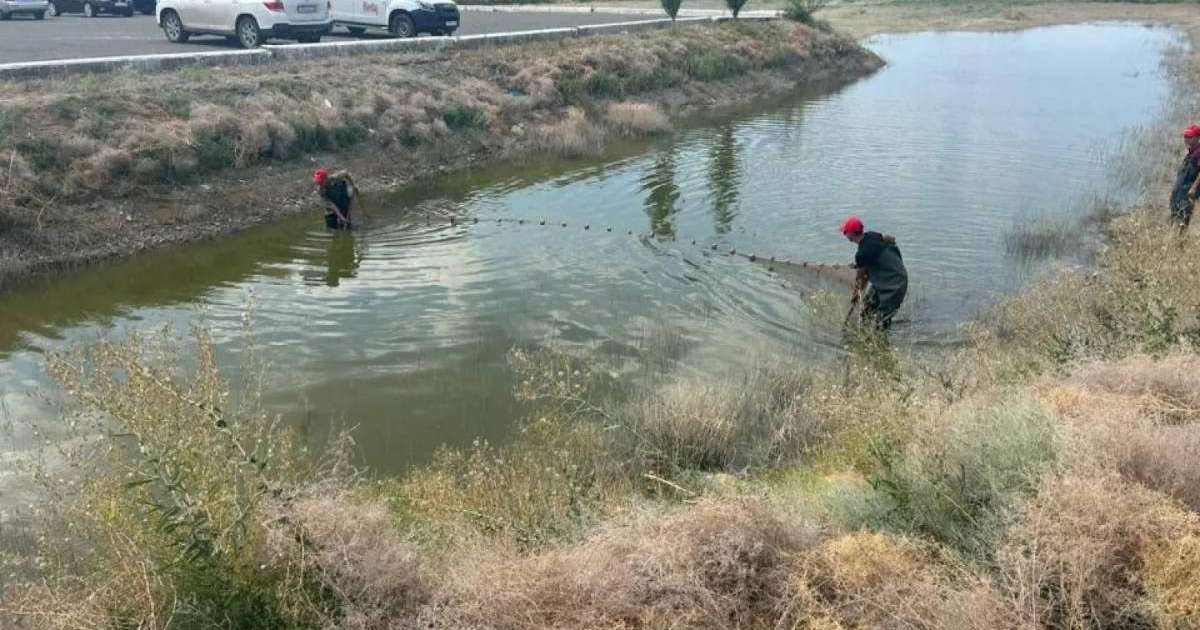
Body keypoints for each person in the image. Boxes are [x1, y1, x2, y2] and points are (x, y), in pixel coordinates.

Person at [840, 215, 908, 331]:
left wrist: (856, 294)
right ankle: (863, 332)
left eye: (845, 232)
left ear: (851, 235)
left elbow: (861, 280)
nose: (843, 234)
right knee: (867, 309)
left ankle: (881, 343)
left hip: (895, 284)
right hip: (888, 278)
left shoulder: (861, 254)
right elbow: (891, 239)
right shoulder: (871, 235)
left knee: (881, 322)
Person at [1169, 124, 1200, 233]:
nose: (1186, 139)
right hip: (1180, 192)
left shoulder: (1199, 152)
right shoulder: (1191, 153)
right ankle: (1173, 241)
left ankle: (1180, 243)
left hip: (1187, 193)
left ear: (1197, 137)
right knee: (1175, 218)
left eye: (1190, 137)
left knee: (1183, 220)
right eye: (1185, 137)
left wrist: (1193, 188)